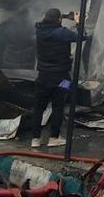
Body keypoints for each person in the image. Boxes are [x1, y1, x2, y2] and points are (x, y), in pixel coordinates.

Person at [32, 8, 81, 148]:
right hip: (62, 78)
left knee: (38, 107)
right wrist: (78, 22)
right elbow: (82, 36)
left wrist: (61, 17)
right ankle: (54, 137)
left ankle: (35, 139)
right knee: (58, 106)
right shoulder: (62, 33)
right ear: (59, 19)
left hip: (42, 76)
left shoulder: (40, 30)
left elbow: (52, 24)